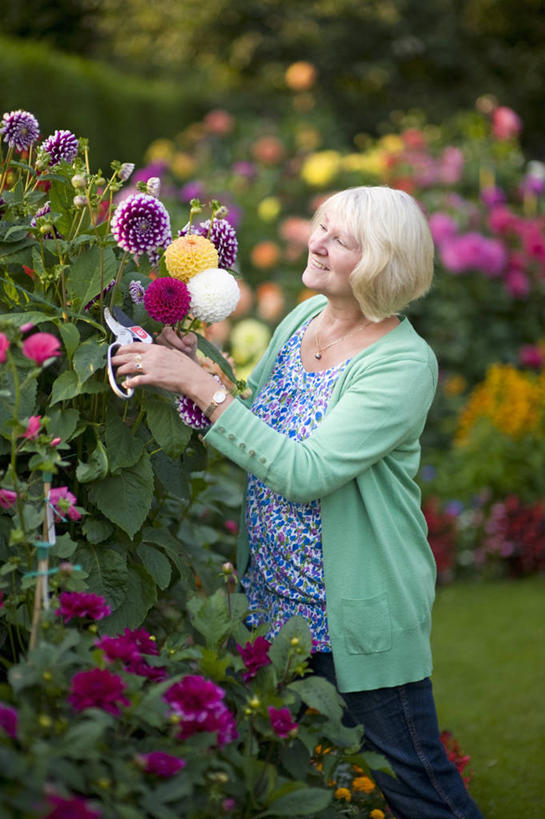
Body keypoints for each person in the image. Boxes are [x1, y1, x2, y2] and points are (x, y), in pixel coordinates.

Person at [113, 186, 484, 819]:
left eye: (340, 239)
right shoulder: (300, 320)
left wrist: (201, 389)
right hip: (272, 603)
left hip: (354, 617)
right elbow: (265, 425)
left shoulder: (401, 365)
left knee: (420, 790)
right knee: (290, 781)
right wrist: (193, 361)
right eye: (320, 225)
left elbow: (306, 471)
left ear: (381, 264)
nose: (316, 240)